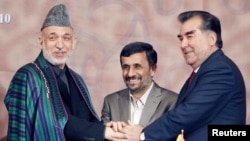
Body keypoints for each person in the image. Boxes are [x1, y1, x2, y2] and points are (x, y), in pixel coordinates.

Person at [114, 10, 246, 141]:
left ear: (211, 39)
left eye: (190, 37)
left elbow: (187, 114)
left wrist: (143, 135)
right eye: (181, 38)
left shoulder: (221, 70)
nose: (183, 45)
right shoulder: (202, 72)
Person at [4, 4, 121, 141]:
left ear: (73, 43)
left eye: (66, 38)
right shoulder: (27, 76)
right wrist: (102, 132)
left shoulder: (78, 81)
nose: (60, 45)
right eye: (53, 38)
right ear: (41, 42)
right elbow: (56, 121)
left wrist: (107, 129)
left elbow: (86, 122)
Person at [101, 42, 178, 127]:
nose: (130, 74)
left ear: (153, 69)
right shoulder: (111, 102)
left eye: (137, 66)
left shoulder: (172, 102)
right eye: (126, 67)